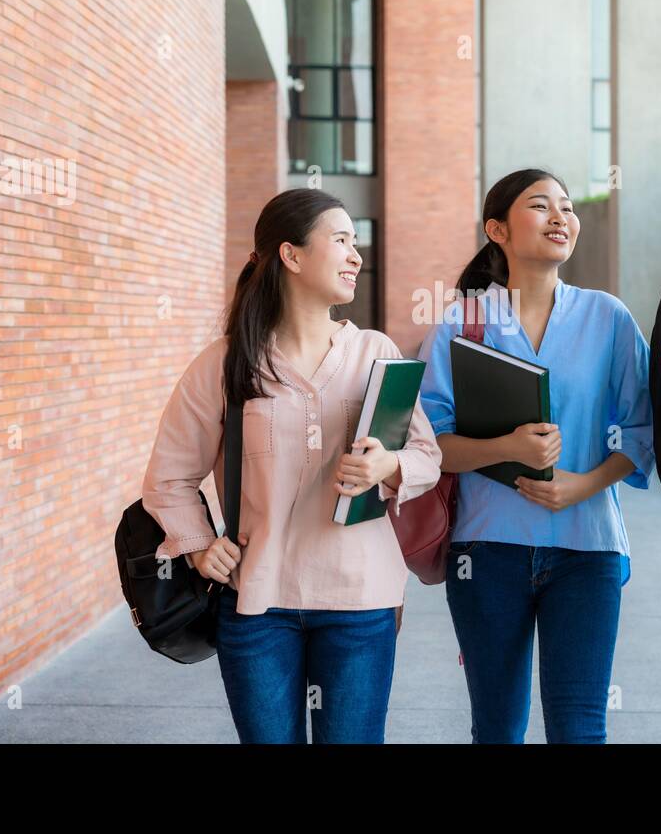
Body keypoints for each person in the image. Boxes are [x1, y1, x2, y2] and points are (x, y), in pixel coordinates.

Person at [141, 188, 442, 743]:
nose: (357, 256)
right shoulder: (227, 364)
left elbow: (427, 456)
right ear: (292, 255)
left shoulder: (375, 352)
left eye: (357, 243)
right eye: (342, 240)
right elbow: (169, 477)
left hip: (361, 603)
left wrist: (388, 465)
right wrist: (199, 544)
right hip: (259, 605)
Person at [416, 168, 655, 743]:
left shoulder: (609, 319)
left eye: (567, 208)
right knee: (496, 728)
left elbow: (641, 430)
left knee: (579, 729)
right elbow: (429, 448)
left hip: (587, 550)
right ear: (497, 229)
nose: (561, 218)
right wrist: (506, 448)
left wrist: (584, 484)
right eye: (541, 206)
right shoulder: (461, 325)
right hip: (486, 551)